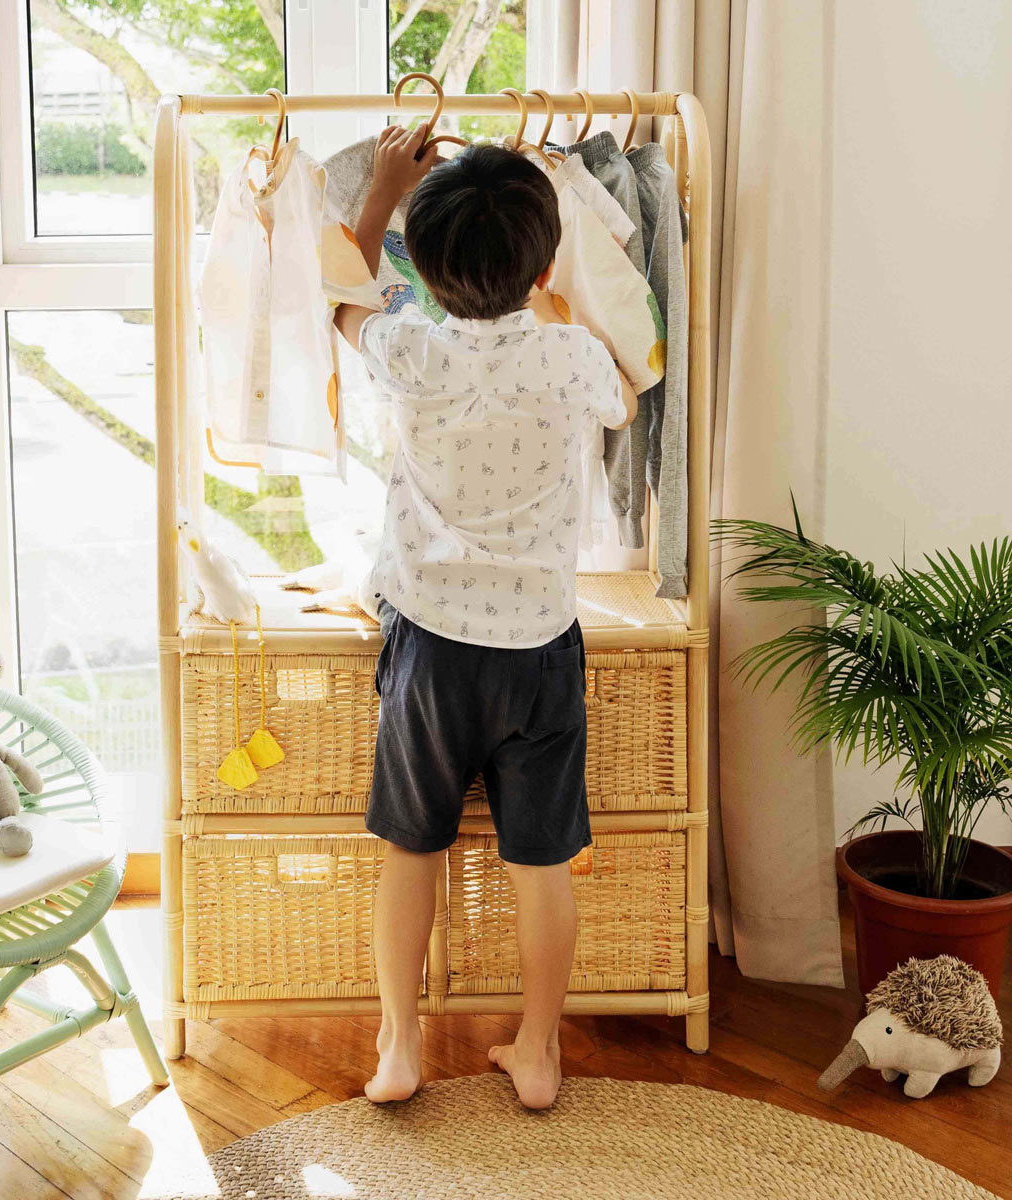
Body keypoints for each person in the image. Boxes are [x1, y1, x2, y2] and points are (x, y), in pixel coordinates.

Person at [333, 126, 637, 1110]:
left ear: (422, 264)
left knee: (409, 848)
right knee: (542, 861)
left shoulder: (408, 351)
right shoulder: (572, 359)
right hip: (539, 651)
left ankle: (397, 1047)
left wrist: (381, 195)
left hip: (430, 649)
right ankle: (538, 1052)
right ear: (544, 262)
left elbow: (340, 299)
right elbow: (625, 404)